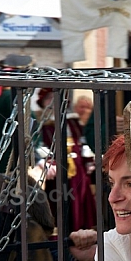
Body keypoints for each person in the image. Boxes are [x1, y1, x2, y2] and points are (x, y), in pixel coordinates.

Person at [36, 87, 96, 233]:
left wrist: (89, 160)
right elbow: (39, 146)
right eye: (48, 98)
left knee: (80, 201)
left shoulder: (73, 122)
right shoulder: (41, 124)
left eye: (55, 98)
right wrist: (47, 162)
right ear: (43, 102)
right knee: (58, 201)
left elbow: (82, 142)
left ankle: (82, 233)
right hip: (56, 173)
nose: (52, 102)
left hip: (78, 171)